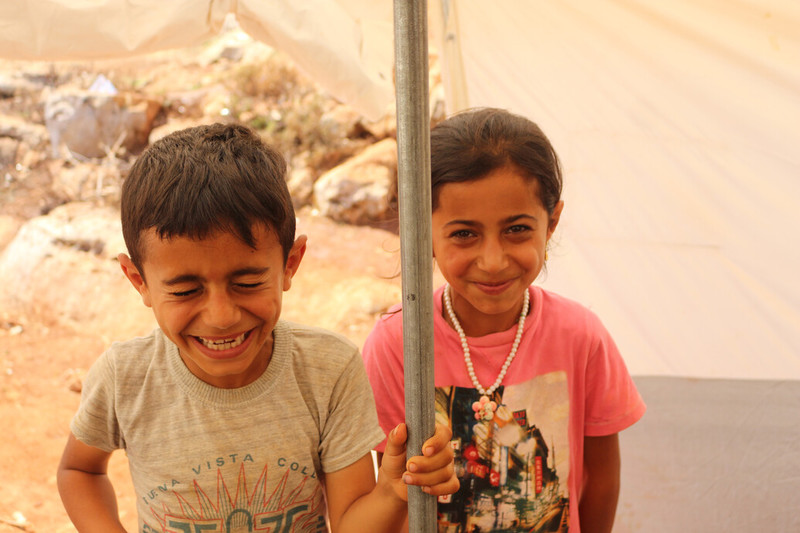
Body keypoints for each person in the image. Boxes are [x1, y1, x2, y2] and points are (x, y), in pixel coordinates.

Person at [57, 123, 458, 533]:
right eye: (185, 290)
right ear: (137, 279)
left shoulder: (329, 371)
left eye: (247, 284)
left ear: (291, 263)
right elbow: (79, 471)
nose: (221, 315)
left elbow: (352, 524)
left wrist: (392, 492)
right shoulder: (124, 377)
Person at [362, 108, 646, 533]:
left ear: (551, 224)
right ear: (424, 233)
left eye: (516, 229)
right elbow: (394, 490)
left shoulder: (581, 335)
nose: (493, 262)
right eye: (464, 234)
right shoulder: (396, 343)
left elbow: (601, 480)